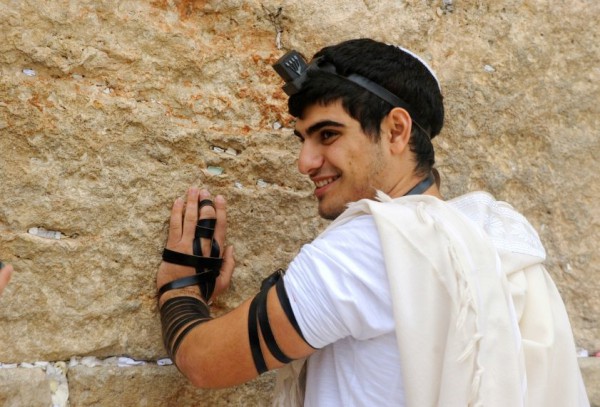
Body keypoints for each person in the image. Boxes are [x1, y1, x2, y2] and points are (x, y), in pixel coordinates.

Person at [156, 38, 589, 406]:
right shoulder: (491, 234)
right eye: (303, 139)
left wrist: (180, 285)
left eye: (328, 135)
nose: (305, 161)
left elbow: (202, 361)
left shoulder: (369, 250)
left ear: (397, 131)